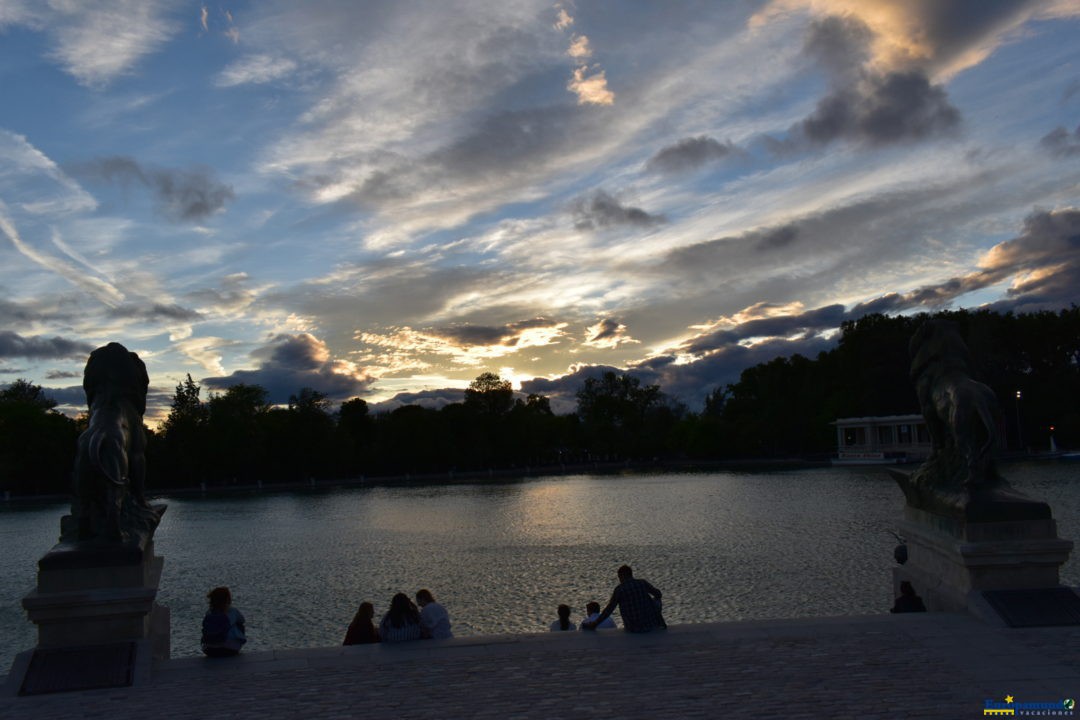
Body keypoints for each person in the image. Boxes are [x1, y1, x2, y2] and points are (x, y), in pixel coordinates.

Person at [581, 565, 665, 633]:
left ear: (622, 576)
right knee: (656, 600)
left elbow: (609, 609)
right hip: (650, 624)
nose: (619, 580)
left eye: (619, 577)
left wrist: (596, 623)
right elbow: (658, 594)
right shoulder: (642, 583)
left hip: (632, 628)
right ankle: (659, 623)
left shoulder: (619, 589)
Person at [201, 586, 247, 657]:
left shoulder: (209, 613)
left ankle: (212, 644)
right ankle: (234, 644)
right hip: (229, 649)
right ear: (228, 599)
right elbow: (242, 620)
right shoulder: (232, 611)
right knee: (240, 625)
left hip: (208, 649)